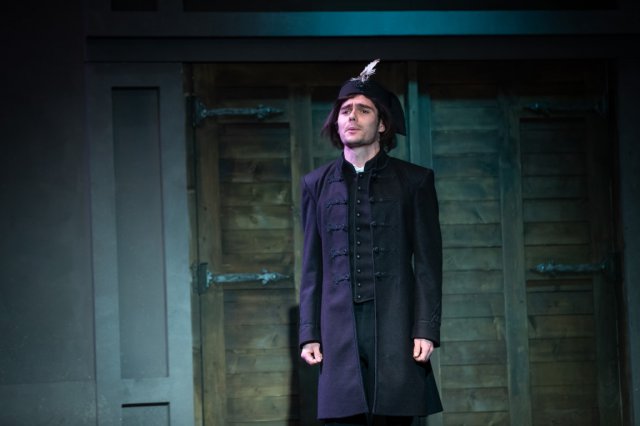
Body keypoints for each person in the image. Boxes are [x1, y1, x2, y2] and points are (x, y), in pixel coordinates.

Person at [298, 59, 443, 426]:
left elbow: (428, 264)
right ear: (336, 122)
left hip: (395, 321)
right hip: (337, 326)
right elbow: (312, 266)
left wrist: (425, 328)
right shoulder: (315, 184)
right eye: (345, 110)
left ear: (381, 124)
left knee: (393, 417)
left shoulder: (415, 181)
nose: (352, 116)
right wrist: (309, 333)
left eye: (363, 110)